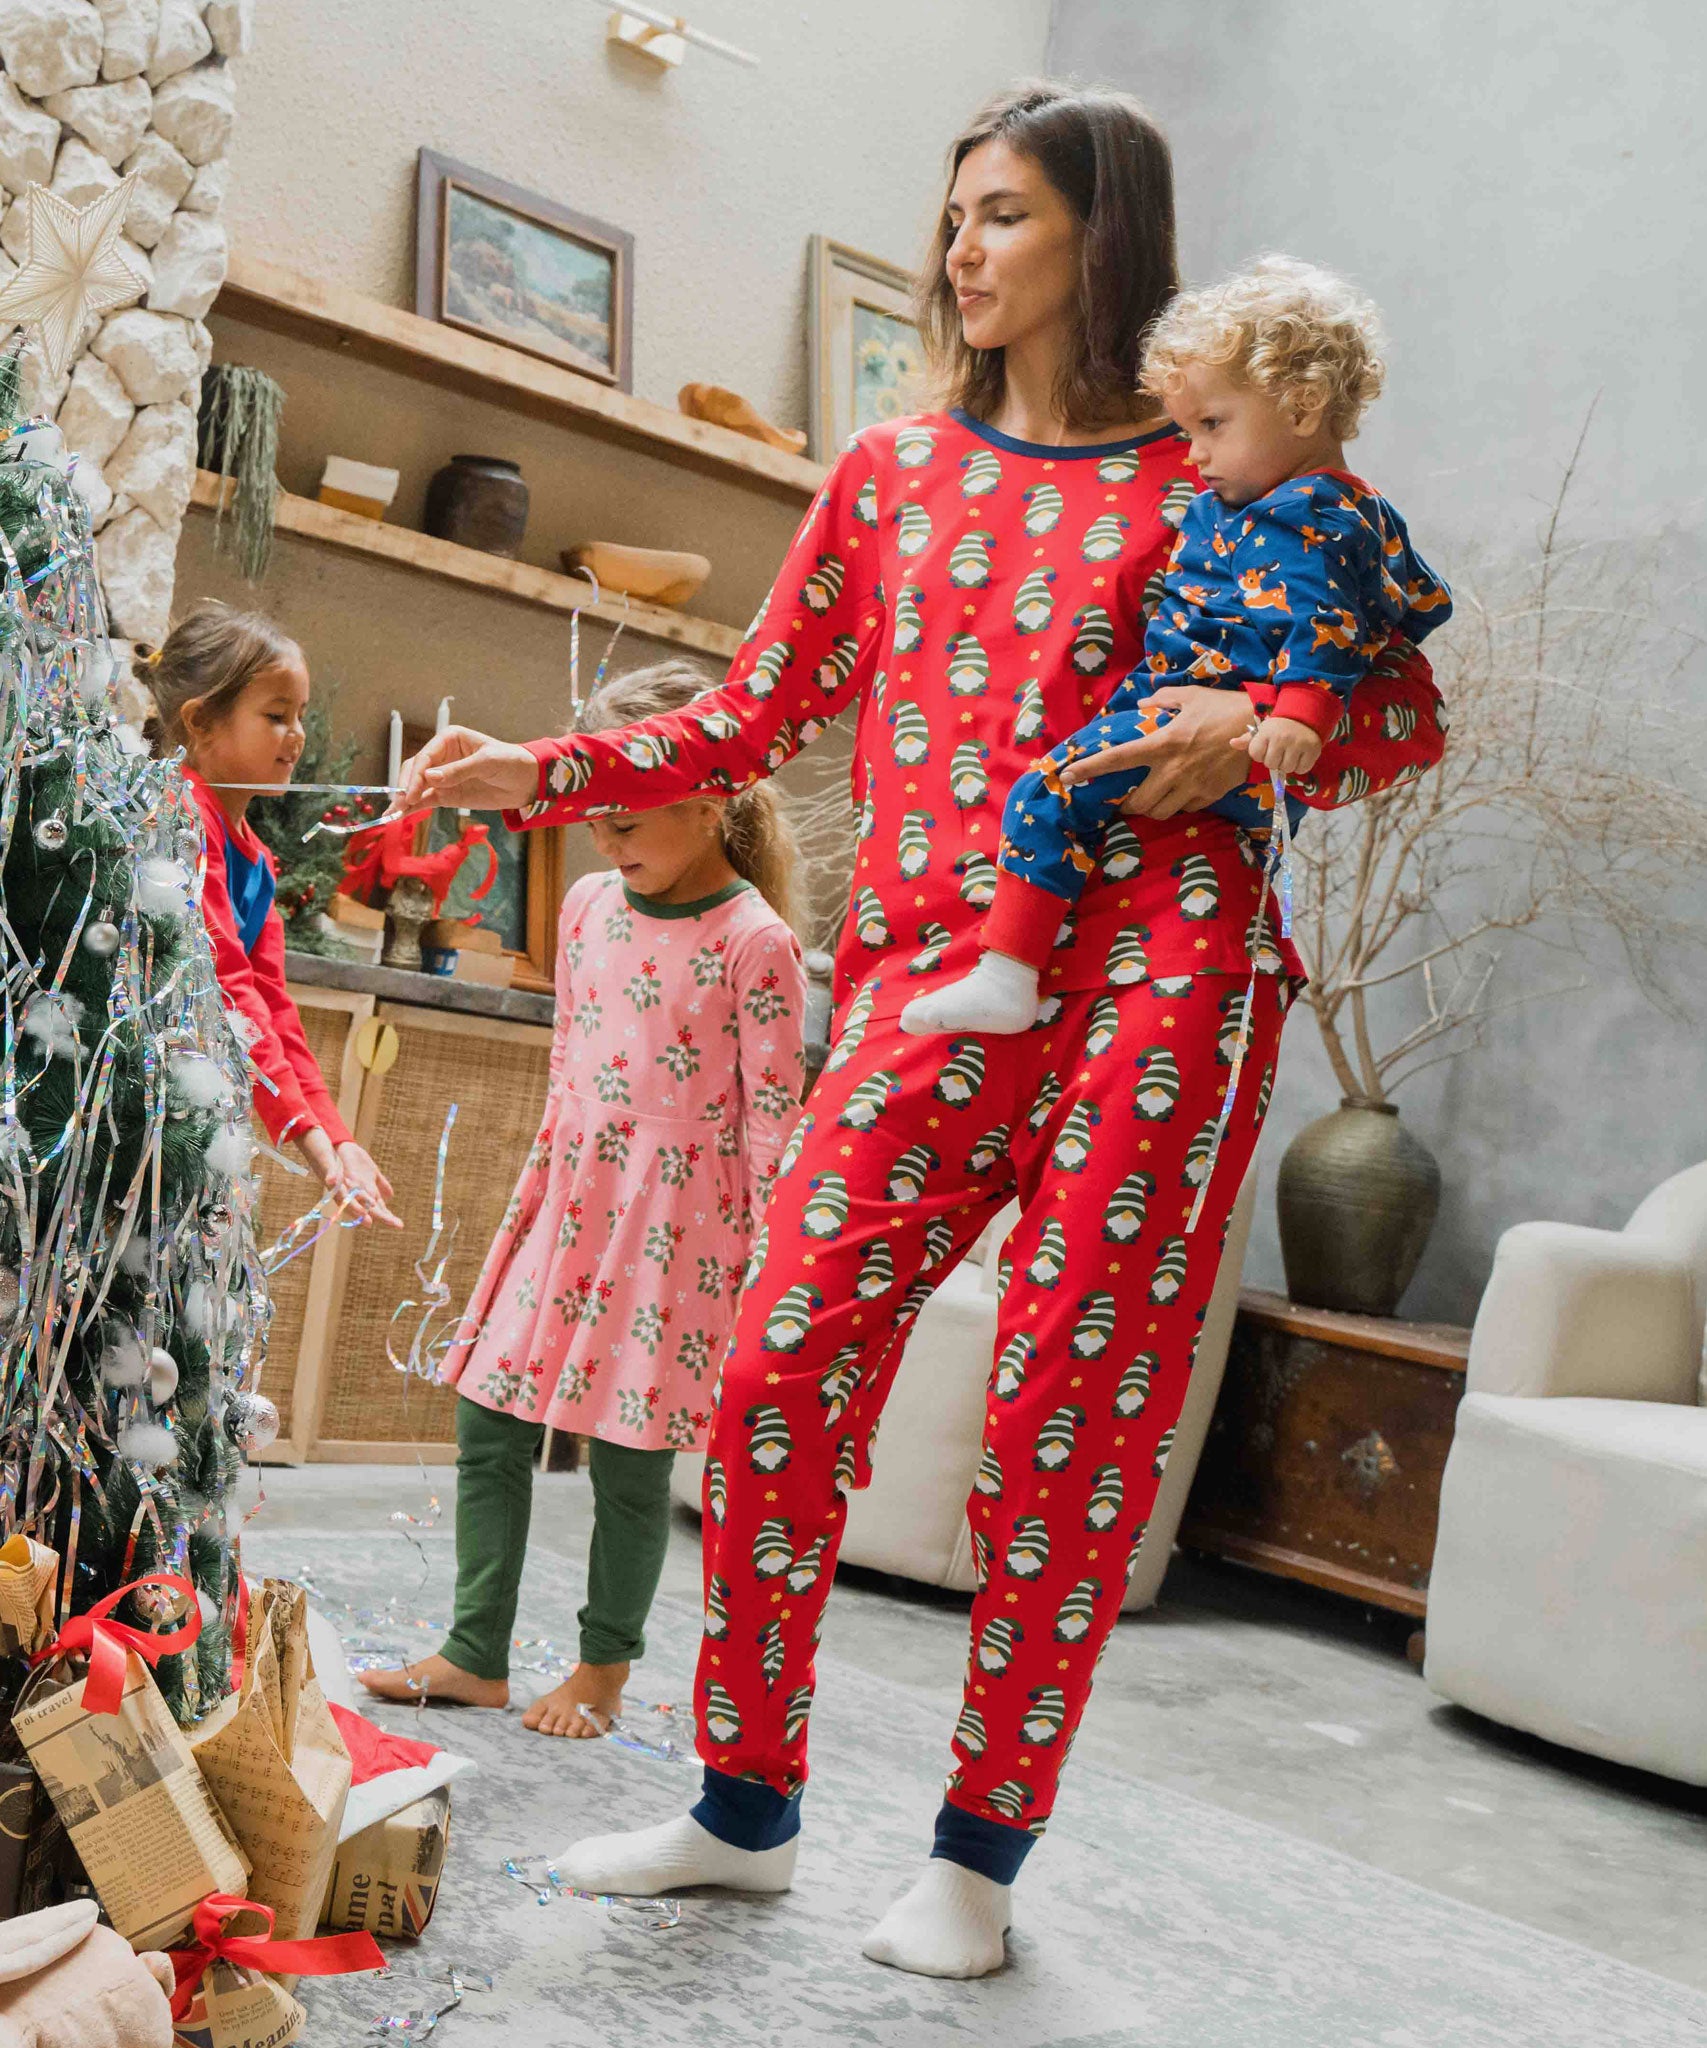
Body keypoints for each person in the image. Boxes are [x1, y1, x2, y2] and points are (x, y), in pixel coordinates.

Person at [395, 82, 1446, 1979]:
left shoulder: (1224, 461)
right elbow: (750, 714)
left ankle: (974, 1857)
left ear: (1103, 233)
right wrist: (538, 772)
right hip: (928, 978)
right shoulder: (888, 475)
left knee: (1067, 1418)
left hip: (1167, 979)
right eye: (952, 214)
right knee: (776, 1371)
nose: (962, 249)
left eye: (1005, 216)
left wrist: (1262, 733)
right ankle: (744, 1806)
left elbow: (1391, 715)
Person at [362, 661, 807, 1739]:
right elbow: (573, 1057)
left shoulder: (757, 940)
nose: (605, 841)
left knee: (629, 1449)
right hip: (571, 1193)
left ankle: (602, 1673)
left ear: (712, 788)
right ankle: (477, 1651)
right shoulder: (585, 903)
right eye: (592, 819)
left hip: (682, 1227)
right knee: (488, 1408)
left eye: (625, 818)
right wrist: (554, 1175)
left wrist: (761, 1274)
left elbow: (773, 1122)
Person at [902, 254, 1452, 1037]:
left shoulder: (1308, 513)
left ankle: (1006, 973)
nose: (1193, 453)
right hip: (1222, 783)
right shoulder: (1259, 506)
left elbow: (1328, 624)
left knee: (1047, 792)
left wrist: (1290, 713)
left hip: (1226, 766)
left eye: (1211, 426)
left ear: (1301, 408)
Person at [145, 603, 397, 1224]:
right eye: (276, 716)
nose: (297, 734)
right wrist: (313, 1143)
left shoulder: (254, 860)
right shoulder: (181, 821)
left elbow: (272, 1009)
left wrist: (335, 1140)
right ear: (201, 722)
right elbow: (227, 991)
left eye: (300, 716)